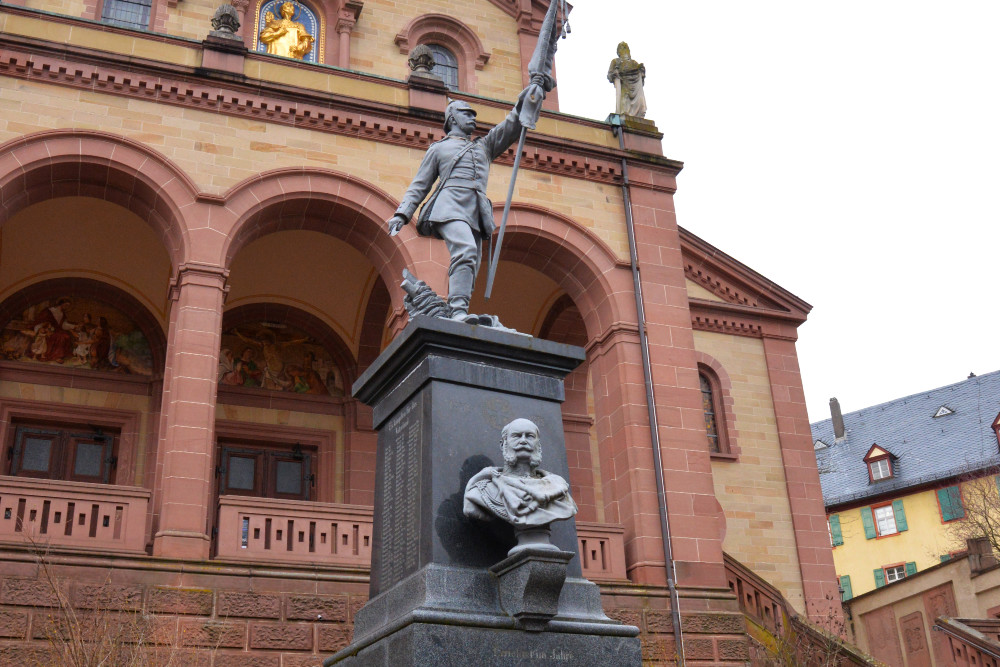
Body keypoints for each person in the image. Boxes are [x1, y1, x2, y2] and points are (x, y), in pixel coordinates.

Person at [387, 87, 533, 320]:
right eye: (467, 114)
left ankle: (460, 311)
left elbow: (509, 128)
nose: (473, 118)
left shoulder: (483, 147)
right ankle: (457, 311)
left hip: (475, 211)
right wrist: (402, 214)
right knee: (466, 250)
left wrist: (526, 100)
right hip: (449, 206)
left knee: (471, 261)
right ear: (452, 117)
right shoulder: (439, 148)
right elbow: (420, 185)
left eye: (473, 114)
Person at [463, 418, 577, 527]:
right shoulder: (484, 490)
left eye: (530, 436)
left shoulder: (557, 486)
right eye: (516, 436)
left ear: (539, 446)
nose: (523, 440)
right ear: (503, 445)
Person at [607, 41, 647, 118]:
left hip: (635, 86)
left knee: (640, 104)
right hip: (624, 84)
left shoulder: (634, 63)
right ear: (618, 51)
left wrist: (641, 72)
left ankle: (638, 115)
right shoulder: (616, 61)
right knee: (625, 104)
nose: (624, 49)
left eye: (625, 47)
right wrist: (615, 74)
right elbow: (610, 75)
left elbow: (641, 81)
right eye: (621, 47)